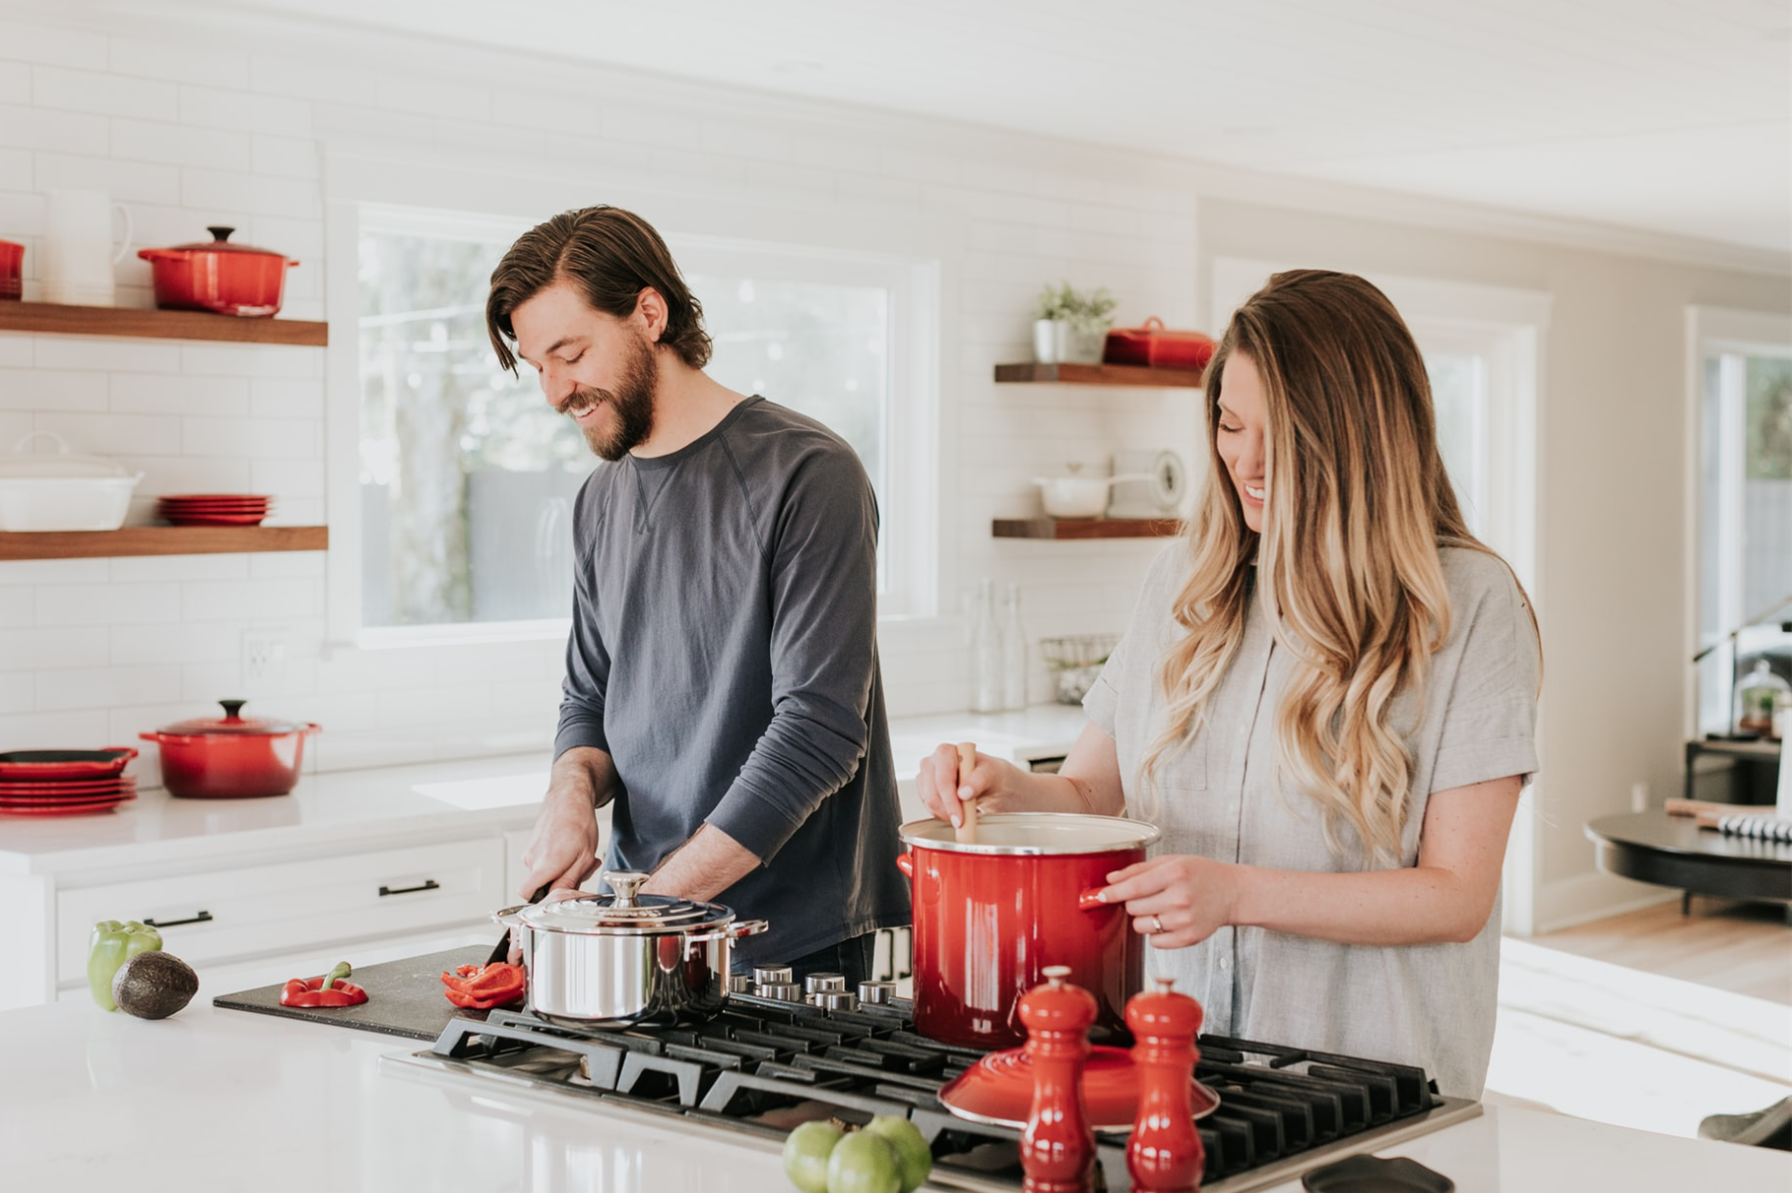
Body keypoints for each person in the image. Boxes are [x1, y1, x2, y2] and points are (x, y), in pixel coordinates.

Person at [918, 270, 1540, 1100]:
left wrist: (1239, 893)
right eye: (1229, 423)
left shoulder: (1469, 605)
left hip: (1365, 1083)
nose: (1244, 460)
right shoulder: (1185, 579)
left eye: (1277, 432)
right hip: (1176, 1065)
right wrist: (1011, 791)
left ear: (1359, 436)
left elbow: (1456, 894)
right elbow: (1095, 790)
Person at [486, 205, 909, 990]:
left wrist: (648, 911)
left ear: (650, 313)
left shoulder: (809, 473)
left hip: (790, 948)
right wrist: (570, 793)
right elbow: (590, 697)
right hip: (636, 931)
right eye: (536, 364)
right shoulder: (599, 499)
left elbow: (819, 731)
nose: (554, 392)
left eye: (569, 354)